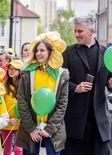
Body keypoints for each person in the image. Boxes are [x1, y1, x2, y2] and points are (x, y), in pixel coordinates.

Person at [62, 15, 112, 155]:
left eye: (80, 31)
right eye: (75, 31)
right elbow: (60, 82)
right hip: (75, 124)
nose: (76, 35)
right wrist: (75, 88)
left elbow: (109, 82)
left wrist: (111, 83)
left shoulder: (105, 54)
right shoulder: (67, 52)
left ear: (91, 31)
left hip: (99, 124)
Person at [15, 32, 69, 155]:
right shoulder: (27, 73)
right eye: (37, 50)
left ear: (50, 52)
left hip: (53, 129)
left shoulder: (62, 74)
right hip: (30, 127)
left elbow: (62, 104)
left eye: (42, 50)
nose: (39, 53)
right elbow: (22, 101)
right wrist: (31, 129)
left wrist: (50, 129)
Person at [2, 59, 24, 155]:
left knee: (18, 149)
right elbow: (1, 105)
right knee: (7, 149)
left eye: (14, 69)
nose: (11, 71)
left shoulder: (24, 86)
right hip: (7, 122)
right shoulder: (4, 86)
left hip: (20, 122)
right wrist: (8, 118)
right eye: (10, 69)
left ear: (20, 71)